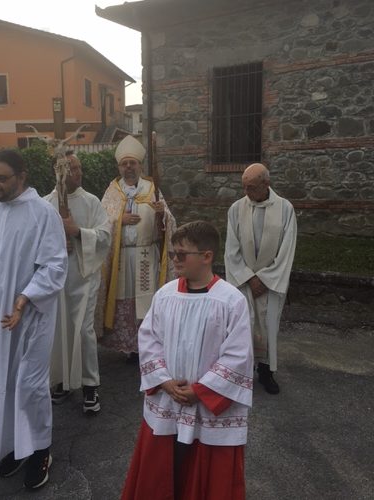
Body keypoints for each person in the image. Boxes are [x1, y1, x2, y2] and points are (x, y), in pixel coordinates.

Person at [0, 149, 68, 490]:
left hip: (31, 319)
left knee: (29, 386)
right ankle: (14, 447)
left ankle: (40, 451)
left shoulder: (42, 214)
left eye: (1, 178)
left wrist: (25, 298)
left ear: (21, 177)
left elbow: (55, 265)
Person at [121, 221, 253, 500]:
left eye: (182, 254)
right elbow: (149, 339)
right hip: (168, 399)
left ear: (207, 256)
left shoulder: (231, 301)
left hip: (207, 406)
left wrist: (201, 391)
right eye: (173, 253)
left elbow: (238, 355)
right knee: (162, 473)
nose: (175, 259)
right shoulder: (165, 295)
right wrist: (164, 381)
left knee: (203, 476)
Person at [44, 152, 111, 414]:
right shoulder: (45, 204)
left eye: (79, 167)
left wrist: (78, 233)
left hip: (84, 275)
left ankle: (90, 385)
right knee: (58, 329)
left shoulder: (91, 201)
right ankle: (61, 380)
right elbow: (35, 240)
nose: (79, 173)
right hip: (55, 278)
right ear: (58, 172)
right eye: (72, 169)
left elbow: (105, 236)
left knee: (83, 330)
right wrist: (56, 243)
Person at [99, 135, 176, 358]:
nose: (129, 167)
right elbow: (101, 223)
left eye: (132, 163)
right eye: (124, 163)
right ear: (119, 167)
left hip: (146, 255)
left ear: (140, 166)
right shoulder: (113, 191)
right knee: (124, 300)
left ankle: (147, 345)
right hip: (121, 258)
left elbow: (170, 222)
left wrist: (162, 215)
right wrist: (119, 220)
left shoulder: (152, 189)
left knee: (146, 300)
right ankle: (128, 347)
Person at [224, 163, 297, 394]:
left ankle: (266, 373)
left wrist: (265, 279)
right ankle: (241, 371)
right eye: (244, 187)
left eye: (252, 187)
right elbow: (231, 249)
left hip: (270, 283)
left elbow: (287, 250)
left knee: (268, 326)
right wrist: (248, 277)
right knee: (242, 326)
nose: (246, 192)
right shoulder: (236, 208)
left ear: (266, 184)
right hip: (244, 282)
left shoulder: (285, 209)